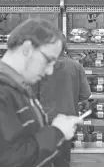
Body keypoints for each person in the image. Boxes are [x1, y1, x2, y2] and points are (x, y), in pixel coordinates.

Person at [0, 18, 82, 167]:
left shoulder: (16, 87)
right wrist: (56, 132)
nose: (50, 70)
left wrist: (55, 127)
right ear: (27, 48)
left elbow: (22, 139)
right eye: (48, 60)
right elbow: (12, 160)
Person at [32, 37, 91, 167]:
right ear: (65, 47)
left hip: (44, 121)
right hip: (67, 121)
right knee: (63, 161)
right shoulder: (76, 66)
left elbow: (33, 95)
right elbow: (85, 94)